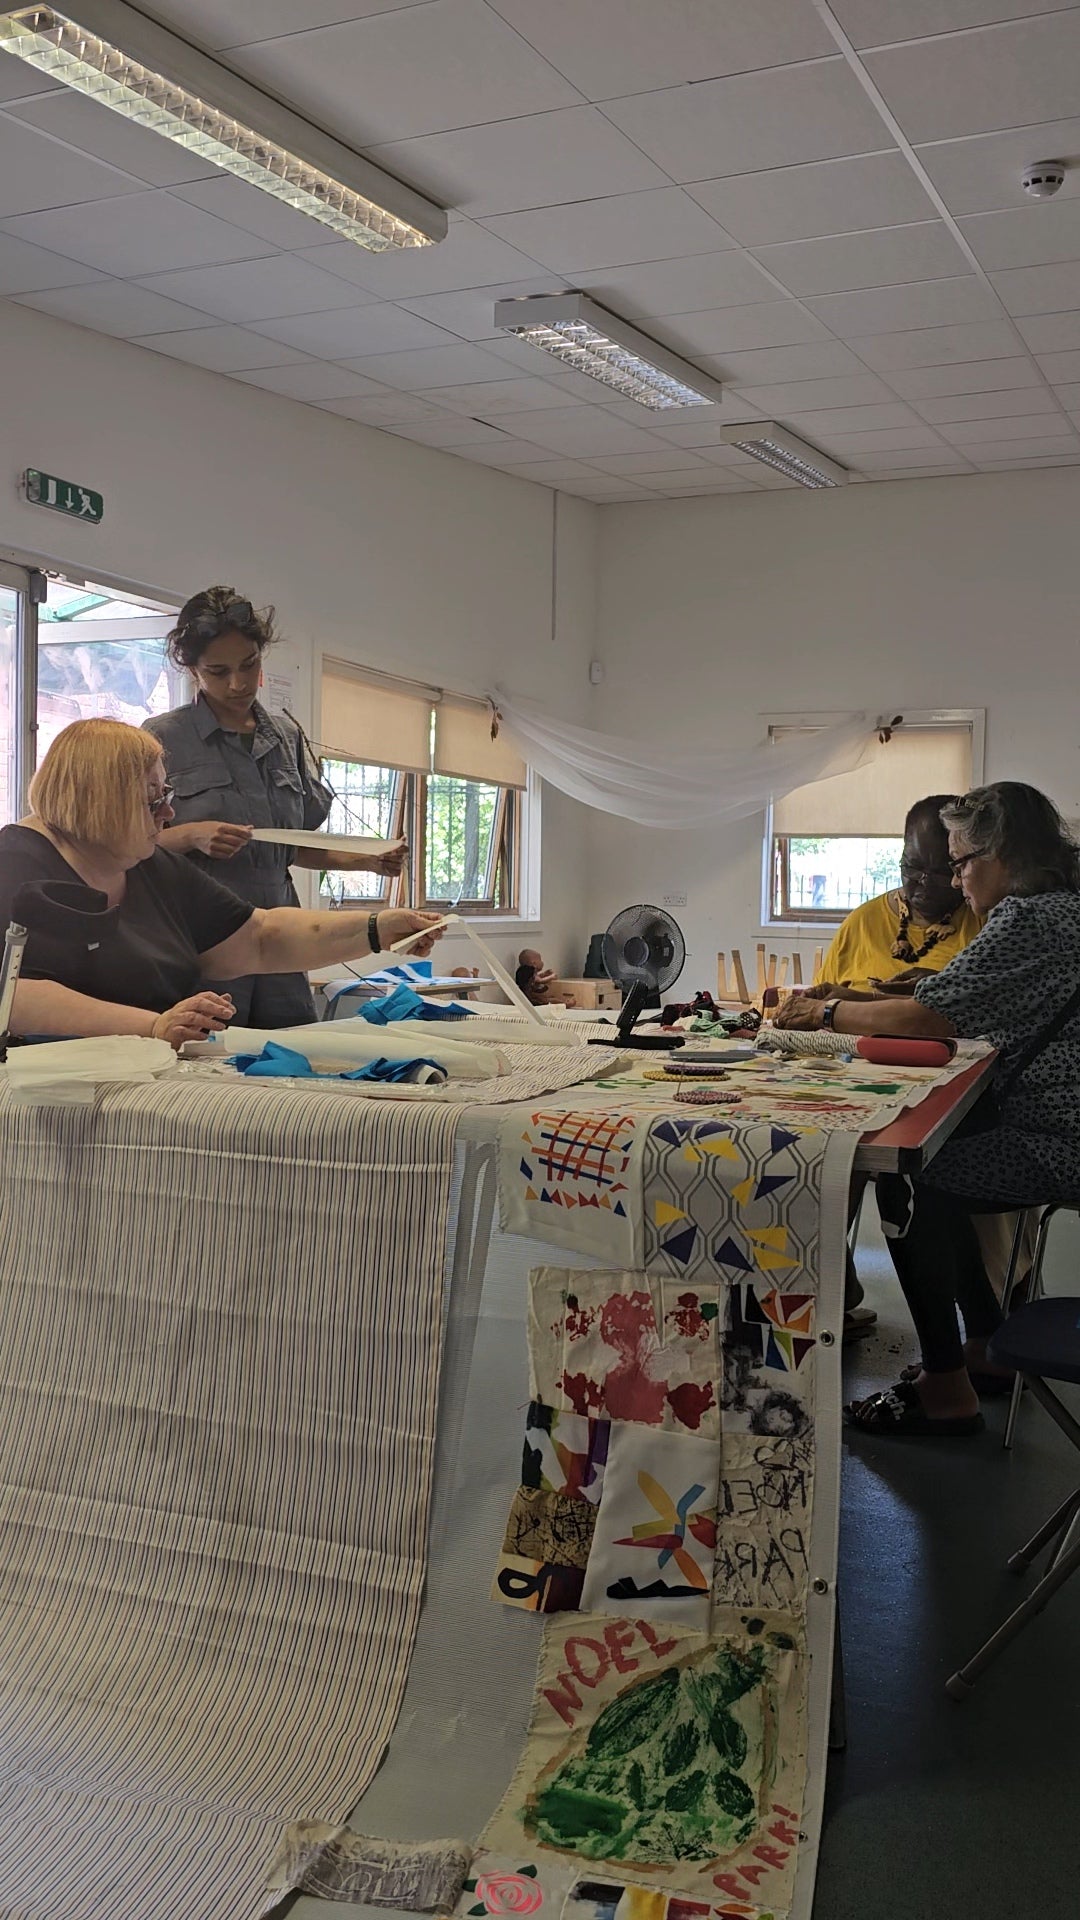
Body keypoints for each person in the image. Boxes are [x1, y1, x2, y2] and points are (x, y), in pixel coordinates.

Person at [776, 782, 1080, 1436]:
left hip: (1059, 1139)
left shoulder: (1027, 920)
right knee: (934, 1162)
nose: (956, 876)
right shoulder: (1066, 908)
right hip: (1056, 1125)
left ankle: (947, 1384)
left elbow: (928, 1016)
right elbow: (954, 995)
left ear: (1004, 856)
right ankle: (982, 1347)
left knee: (908, 1176)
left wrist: (824, 1012)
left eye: (964, 860)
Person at [0, 719, 441, 1048]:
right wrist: (151, 1026)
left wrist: (376, 928)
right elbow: (13, 995)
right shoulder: (14, 864)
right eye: (154, 801)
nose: (169, 814)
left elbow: (259, 937)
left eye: (168, 797)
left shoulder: (149, 866)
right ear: (101, 804)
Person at [144, 587, 406, 1028]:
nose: (238, 684)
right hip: (204, 935)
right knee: (207, 1064)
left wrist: (368, 860)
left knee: (292, 1056)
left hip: (284, 932)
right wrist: (191, 835)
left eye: (249, 665)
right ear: (191, 669)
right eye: (218, 671)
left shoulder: (286, 738)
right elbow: (127, 845)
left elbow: (292, 846)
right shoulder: (162, 737)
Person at [813, 793, 982, 996]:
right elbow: (816, 1002)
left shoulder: (984, 920)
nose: (923, 882)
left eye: (940, 872)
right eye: (913, 866)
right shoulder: (863, 922)